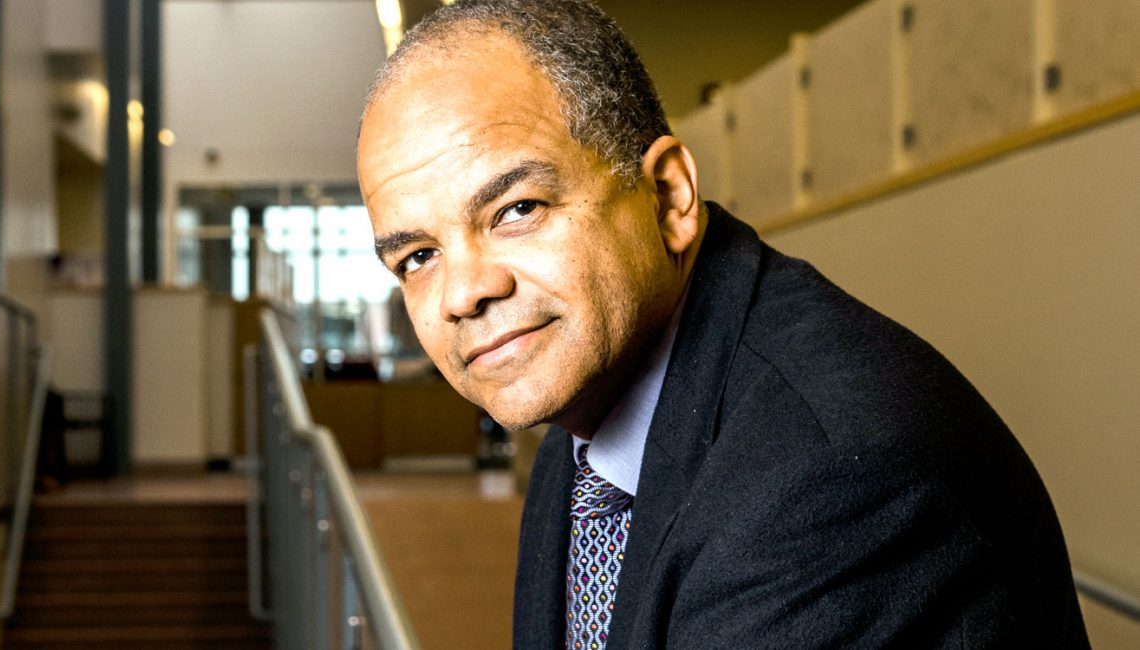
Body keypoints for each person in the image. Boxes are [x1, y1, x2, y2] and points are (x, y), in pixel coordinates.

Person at [356, 0, 1088, 647]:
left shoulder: (827, 481)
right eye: (418, 256)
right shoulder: (581, 430)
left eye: (517, 210)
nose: (464, 292)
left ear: (671, 196)